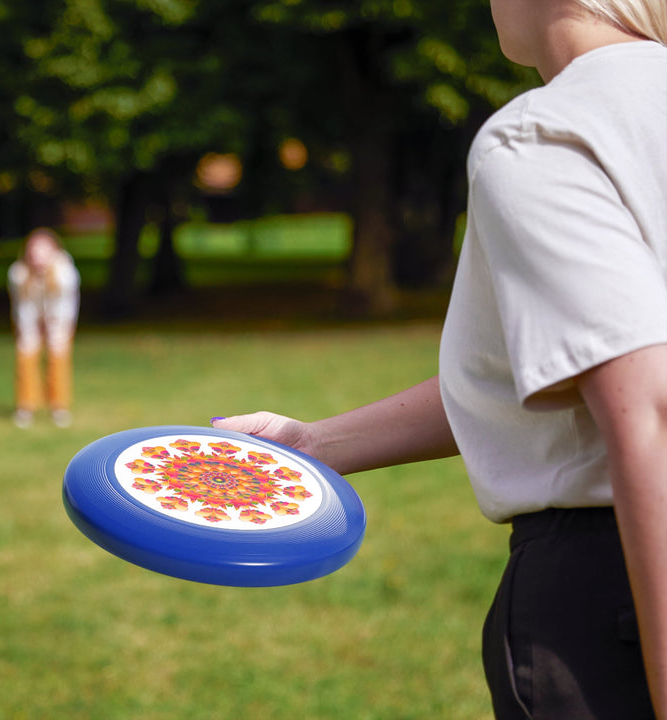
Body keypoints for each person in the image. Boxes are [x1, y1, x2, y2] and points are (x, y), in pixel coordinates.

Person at [211, 1, 667, 717]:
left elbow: (648, 408)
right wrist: (315, 444)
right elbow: (557, 370)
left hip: (616, 594)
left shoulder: (547, 134)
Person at [7, 227, 80, 428]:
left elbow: (65, 306)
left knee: (58, 357)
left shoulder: (65, 273)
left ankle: (59, 406)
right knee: (26, 354)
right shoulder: (18, 273)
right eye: (34, 251)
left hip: (59, 319)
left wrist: (53, 326)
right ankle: (26, 406)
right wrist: (31, 328)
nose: (38, 256)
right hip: (29, 319)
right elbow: (23, 306)